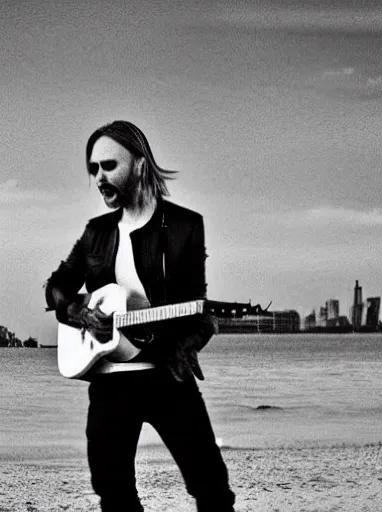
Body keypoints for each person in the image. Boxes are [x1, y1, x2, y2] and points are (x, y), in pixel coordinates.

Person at [45, 120, 236, 512]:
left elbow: (197, 311)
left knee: (212, 489)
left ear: (140, 165)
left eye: (109, 166)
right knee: (113, 494)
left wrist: (191, 341)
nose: (99, 178)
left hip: (167, 376)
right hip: (109, 382)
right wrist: (79, 312)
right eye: (93, 169)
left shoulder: (184, 226)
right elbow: (57, 286)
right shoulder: (96, 232)